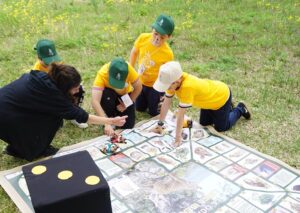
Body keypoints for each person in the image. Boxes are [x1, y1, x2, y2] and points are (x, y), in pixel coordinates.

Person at [0, 63, 127, 161]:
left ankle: (18, 146)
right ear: (65, 87)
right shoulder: (52, 97)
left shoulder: (43, 77)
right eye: (75, 88)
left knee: (46, 117)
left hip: (10, 107)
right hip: (5, 116)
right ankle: (29, 150)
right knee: (52, 120)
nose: (78, 91)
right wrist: (110, 121)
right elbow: (82, 116)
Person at [151, 61, 251, 146]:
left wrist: (178, 138)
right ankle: (228, 109)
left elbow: (181, 114)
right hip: (207, 102)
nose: (166, 89)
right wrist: (159, 124)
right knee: (204, 125)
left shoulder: (187, 87)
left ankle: (240, 109)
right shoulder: (174, 80)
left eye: (167, 86)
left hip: (221, 97)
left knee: (221, 128)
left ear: (177, 81)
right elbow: (166, 103)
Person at [33, 39, 88, 128]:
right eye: (48, 60)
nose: (51, 62)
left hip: (60, 89)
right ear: (39, 58)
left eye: (53, 58)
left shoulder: (58, 62)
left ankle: (74, 115)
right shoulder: (36, 71)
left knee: (78, 89)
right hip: (49, 94)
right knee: (57, 124)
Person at [129, 14, 175, 116]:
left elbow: (168, 74)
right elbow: (134, 52)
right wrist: (131, 70)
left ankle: (156, 101)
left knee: (154, 113)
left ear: (169, 37)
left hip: (156, 86)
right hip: (141, 81)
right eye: (155, 34)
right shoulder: (143, 38)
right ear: (152, 29)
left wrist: (166, 91)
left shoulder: (168, 53)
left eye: (162, 37)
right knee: (139, 108)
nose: (157, 38)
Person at [92, 57, 142, 136]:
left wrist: (127, 103)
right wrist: (106, 123)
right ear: (108, 72)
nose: (117, 86)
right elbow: (95, 101)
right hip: (109, 96)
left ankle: (116, 114)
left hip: (125, 95)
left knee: (128, 125)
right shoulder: (102, 73)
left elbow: (138, 87)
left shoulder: (129, 69)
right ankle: (110, 116)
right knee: (106, 93)